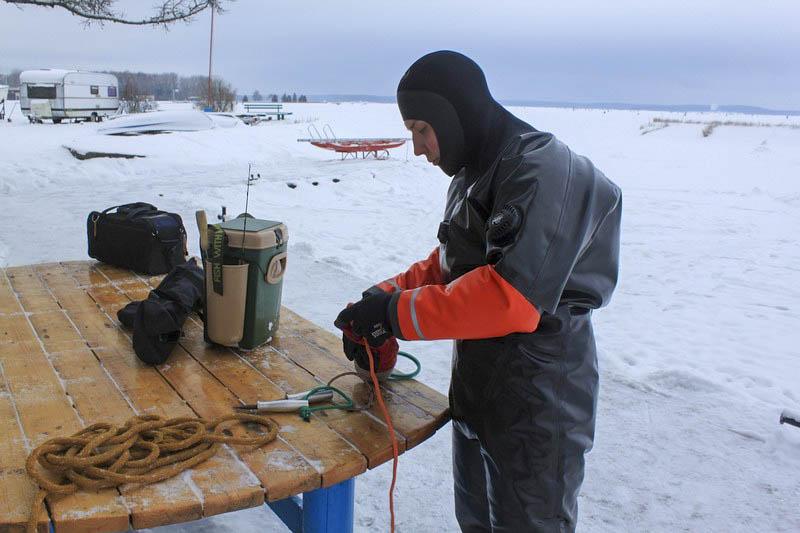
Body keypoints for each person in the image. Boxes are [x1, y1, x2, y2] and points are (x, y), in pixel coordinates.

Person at [334, 51, 622, 533]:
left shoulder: (543, 170)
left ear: (455, 113)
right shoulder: (475, 173)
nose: (418, 148)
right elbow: (452, 264)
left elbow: (509, 298)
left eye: (422, 130)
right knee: (475, 524)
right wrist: (379, 299)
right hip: (478, 392)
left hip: (538, 400)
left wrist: (395, 314)